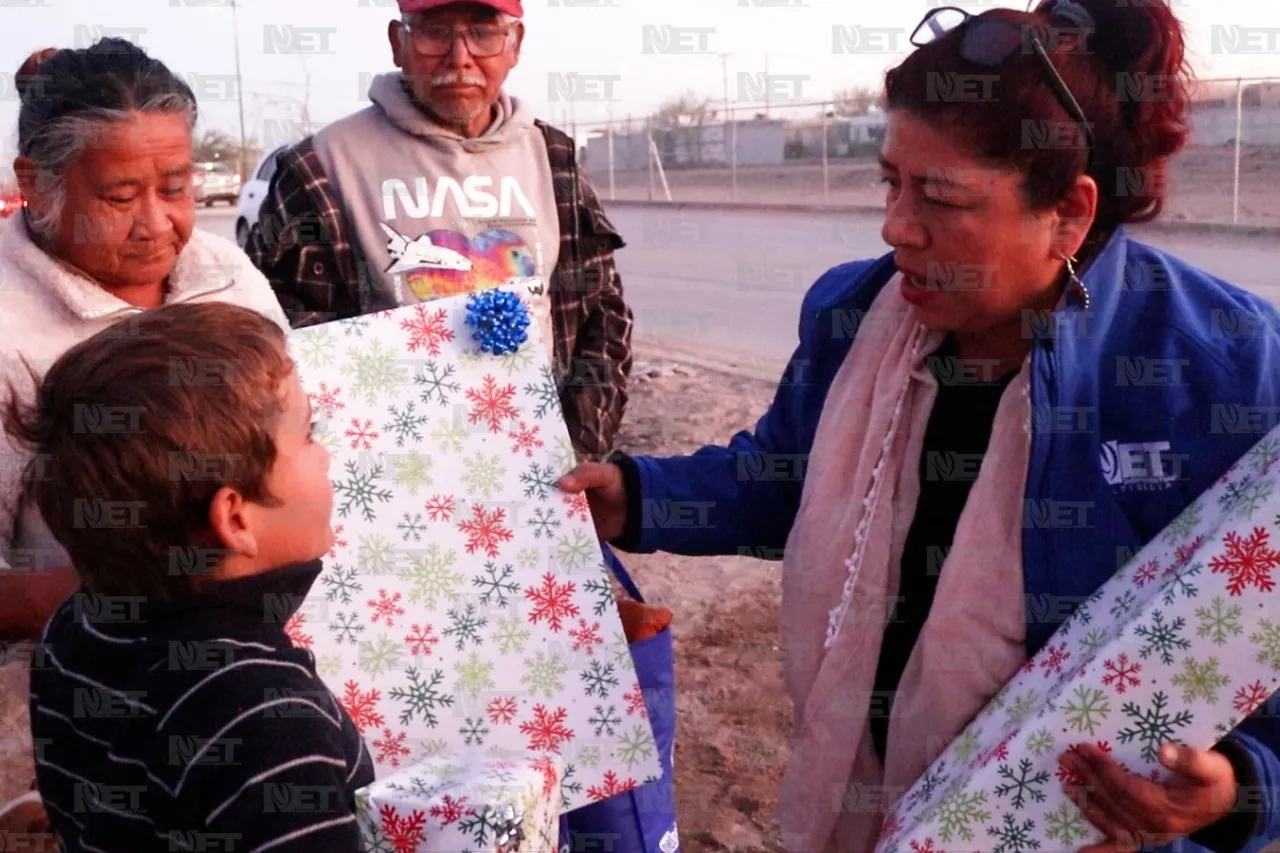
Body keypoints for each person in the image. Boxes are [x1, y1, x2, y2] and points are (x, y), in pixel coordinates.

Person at [560, 1, 1280, 851]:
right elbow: (783, 478)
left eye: (939, 196)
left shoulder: (1216, 364)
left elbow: (1251, 621)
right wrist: (634, 496)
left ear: (1070, 215)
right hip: (864, 804)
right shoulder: (855, 311)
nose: (896, 226)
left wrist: (1241, 788)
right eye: (890, 181)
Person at [0, 39, 289, 830]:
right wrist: (89, 596)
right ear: (35, 185)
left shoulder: (229, 276)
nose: (159, 224)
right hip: (77, 737)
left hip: (262, 700)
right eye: (122, 194)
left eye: (176, 185)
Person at [5, 301, 372, 851]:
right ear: (236, 518)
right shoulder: (269, 723)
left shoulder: (76, 627)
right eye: (307, 435)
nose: (325, 457)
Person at [245, 0, 634, 464]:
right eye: (434, 31)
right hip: (391, 473)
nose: (460, 56)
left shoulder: (551, 157)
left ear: (515, 44)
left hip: (541, 472)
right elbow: (275, 328)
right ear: (399, 42)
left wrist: (579, 446)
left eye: (483, 32)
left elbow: (603, 311)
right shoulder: (321, 166)